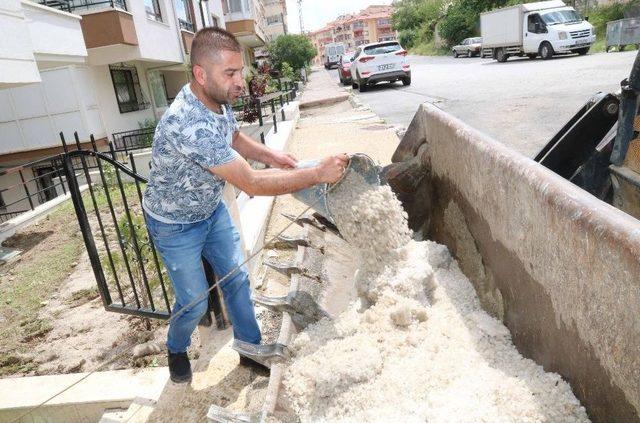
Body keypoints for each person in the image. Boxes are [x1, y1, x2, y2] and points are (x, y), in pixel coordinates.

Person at [142, 27, 348, 383]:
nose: (240, 81)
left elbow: (234, 137)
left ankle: (250, 350)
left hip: (210, 209)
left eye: (240, 71)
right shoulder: (188, 124)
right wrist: (317, 173)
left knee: (236, 277)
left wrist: (274, 155)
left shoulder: (215, 101)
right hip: (175, 225)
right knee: (193, 302)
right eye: (231, 74)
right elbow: (251, 183)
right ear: (201, 74)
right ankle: (176, 347)